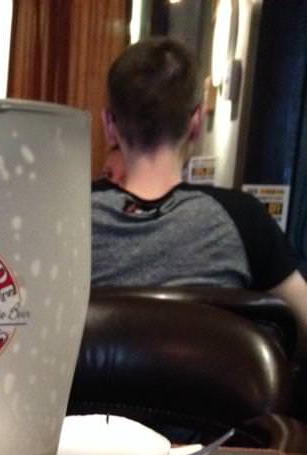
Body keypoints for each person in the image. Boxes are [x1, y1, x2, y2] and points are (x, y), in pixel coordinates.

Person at [92, 38, 307, 360]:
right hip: (220, 394)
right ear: (195, 123)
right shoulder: (244, 218)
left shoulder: (69, 214)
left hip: (85, 395)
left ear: (109, 125)